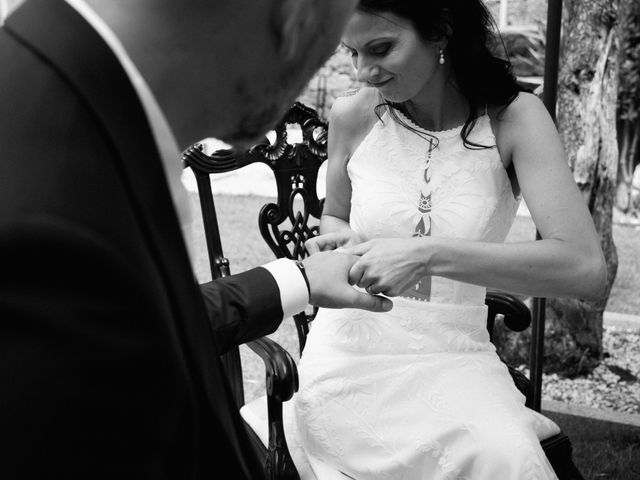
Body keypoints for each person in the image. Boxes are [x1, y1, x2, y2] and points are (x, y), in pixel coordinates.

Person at [0, 0, 394, 477]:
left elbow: (139, 322)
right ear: (297, 15)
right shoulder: (43, 223)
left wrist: (299, 279)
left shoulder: (56, 107)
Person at [281, 1, 607, 478]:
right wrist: (336, 240)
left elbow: (585, 269)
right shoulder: (351, 115)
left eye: (381, 48)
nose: (363, 72)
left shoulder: (515, 119)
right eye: (351, 52)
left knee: (503, 458)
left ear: (442, 33)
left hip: (457, 351)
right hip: (350, 351)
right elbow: (334, 216)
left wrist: (427, 255)